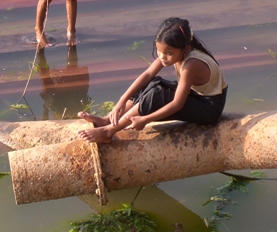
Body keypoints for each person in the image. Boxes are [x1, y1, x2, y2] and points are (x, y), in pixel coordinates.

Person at [78, 17, 228, 143]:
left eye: (168, 53)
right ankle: (106, 120)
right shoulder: (174, 53)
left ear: (186, 49)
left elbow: (177, 104)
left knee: (158, 93)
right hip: (195, 96)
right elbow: (147, 75)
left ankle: (109, 131)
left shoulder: (191, 64)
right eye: (159, 51)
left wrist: (145, 119)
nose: (162, 57)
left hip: (208, 109)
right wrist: (121, 101)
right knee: (151, 83)